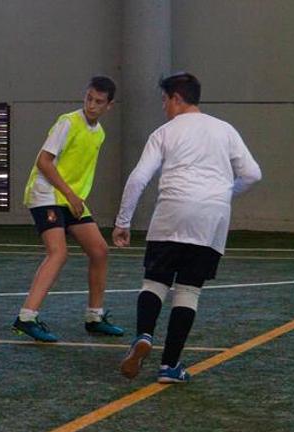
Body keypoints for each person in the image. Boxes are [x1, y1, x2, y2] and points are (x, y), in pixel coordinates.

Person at [115, 72, 261, 383]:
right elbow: (252, 174)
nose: (164, 108)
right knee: (188, 291)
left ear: (177, 99)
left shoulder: (164, 133)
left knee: (155, 282)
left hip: (171, 212)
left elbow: (139, 178)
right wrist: (223, 193)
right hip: (212, 219)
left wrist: (122, 222)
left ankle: (143, 335)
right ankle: (170, 366)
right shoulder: (225, 130)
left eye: (165, 101)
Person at [13, 76, 126, 342]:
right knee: (58, 252)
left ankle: (94, 317)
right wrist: (70, 195)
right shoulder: (67, 122)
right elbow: (44, 161)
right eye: (89, 98)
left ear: (109, 105)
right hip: (45, 193)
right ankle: (26, 318)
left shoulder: (99, 133)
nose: (92, 105)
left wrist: (75, 198)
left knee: (99, 250)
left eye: (99, 102)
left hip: (70, 198)